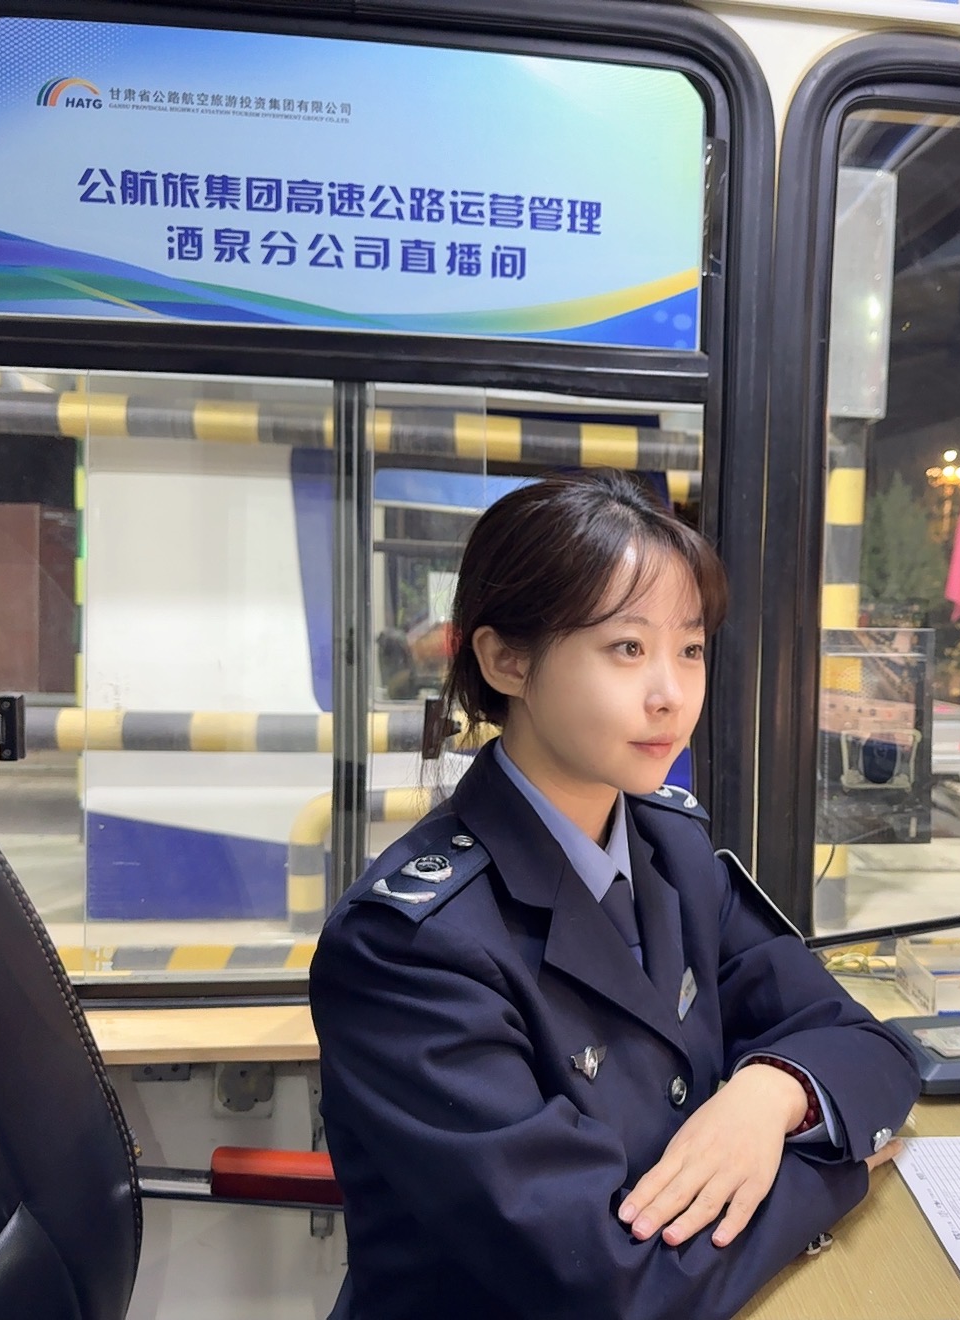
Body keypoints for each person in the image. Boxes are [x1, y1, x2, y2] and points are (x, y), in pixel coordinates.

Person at [311, 470, 921, 1320]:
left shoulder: (671, 851)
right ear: (506, 659)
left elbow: (869, 1045)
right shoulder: (410, 949)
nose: (670, 694)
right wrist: (837, 1167)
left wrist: (770, 1094)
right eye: (627, 648)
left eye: (691, 649)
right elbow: (607, 1286)